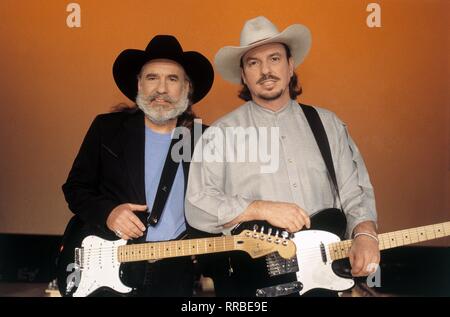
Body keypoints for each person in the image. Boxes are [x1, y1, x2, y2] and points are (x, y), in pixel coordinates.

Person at [185, 16, 379, 296]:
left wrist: (364, 233)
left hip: (323, 281)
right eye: (253, 63)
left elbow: (355, 193)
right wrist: (259, 208)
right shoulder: (220, 134)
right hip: (253, 284)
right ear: (243, 75)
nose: (265, 70)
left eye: (274, 58)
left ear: (290, 66)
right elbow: (198, 204)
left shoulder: (328, 125)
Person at [62, 35, 214, 296]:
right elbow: (75, 188)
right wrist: (108, 213)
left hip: (175, 272)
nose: (161, 89)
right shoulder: (106, 128)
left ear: (187, 89)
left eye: (173, 79)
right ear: (139, 85)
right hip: (109, 265)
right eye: (152, 78)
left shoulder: (203, 139)